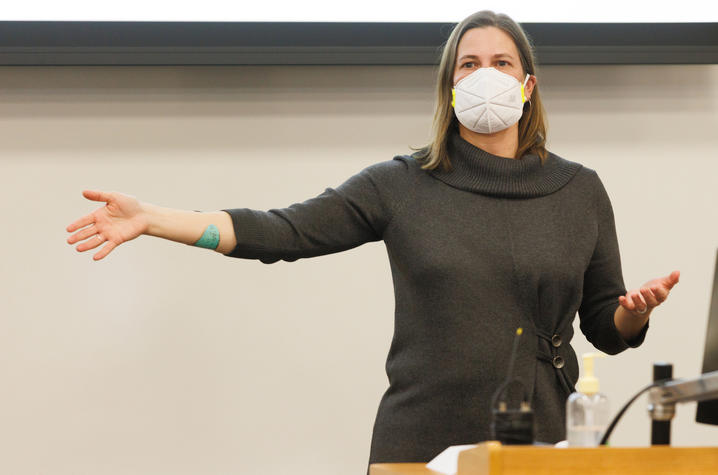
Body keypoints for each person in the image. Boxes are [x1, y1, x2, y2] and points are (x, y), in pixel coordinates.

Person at [66, 10, 680, 468]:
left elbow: (605, 324)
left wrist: (632, 315)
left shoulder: (579, 190)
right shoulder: (401, 184)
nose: (485, 75)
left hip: (539, 444)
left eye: (502, 64)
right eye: (469, 65)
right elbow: (284, 230)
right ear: (449, 86)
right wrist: (152, 217)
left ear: (528, 86)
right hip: (418, 446)